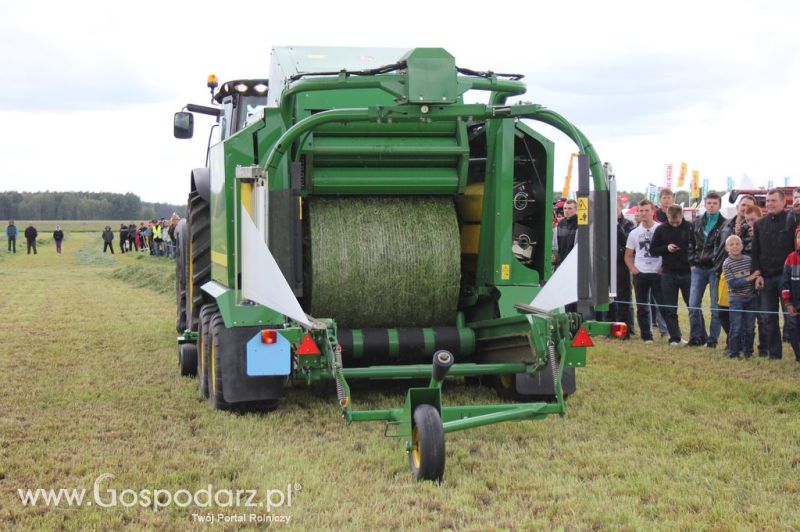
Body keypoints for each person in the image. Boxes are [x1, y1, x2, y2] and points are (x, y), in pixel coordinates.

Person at [752, 189, 795, 359]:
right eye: (767, 201)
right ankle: (774, 354)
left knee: (792, 319)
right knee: (768, 318)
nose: (769, 203)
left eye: (773, 200)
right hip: (767, 278)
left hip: (788, 279)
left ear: (784, 202)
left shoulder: (792, 220)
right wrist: (757, 274)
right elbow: (755, 252)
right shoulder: (759, 224)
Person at [714, 194, 756, 354]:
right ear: (738, 206)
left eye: (749, 206)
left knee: (747, 323)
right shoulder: (726, 224)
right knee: (722, 311)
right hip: (724, 272)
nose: (745, 208)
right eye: (743, 204)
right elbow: (718, 244)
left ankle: (744, 348)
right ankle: (733, 346)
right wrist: (715, 261)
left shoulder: (752, 227)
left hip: (744, 279)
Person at [650, 204, 693, 346]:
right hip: (668, 273)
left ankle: (698, 337)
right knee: (670, 307)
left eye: (677, 221)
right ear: (667, 216)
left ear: (682, 216)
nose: (674, 224)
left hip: (688, 272)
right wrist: (666, 248)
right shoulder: (661, 229)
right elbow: (653, 250)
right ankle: (674, 337)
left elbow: (697, 246)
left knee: (693, 306)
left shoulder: (690, 227)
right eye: (671, 221)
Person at [687, 192, 726, 348]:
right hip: (698, 268)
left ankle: (712, 339)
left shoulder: (725, 224)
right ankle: (696, 337)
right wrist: (691, 263)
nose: (711, 206)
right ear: (705, 204)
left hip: (715, 269)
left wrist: (719, 266)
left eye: (714, 203)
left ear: (719, 205)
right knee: (693, 304)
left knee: (715, 307)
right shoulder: (696, 223)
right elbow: (690, 244)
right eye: (709, 203)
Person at [625, 199, 663, 344]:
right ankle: (646, 335)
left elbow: (666, 251)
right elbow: (628, 255)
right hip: (641, 273)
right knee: (642, 306)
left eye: (646, 210)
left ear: (652, 211)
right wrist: (634, 270)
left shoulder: (660, 229)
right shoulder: (634, 233)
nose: (644, 213)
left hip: (657, 272)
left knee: (663, 304)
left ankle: (672, 335)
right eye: (641, 211)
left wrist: (662, 268)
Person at [723, 235, 759, 359]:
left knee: (750, 327)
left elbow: (756, 275)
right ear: (726, 248)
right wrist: (750, 278)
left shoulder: (748, 260)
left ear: (742, 246)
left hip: (750, 299)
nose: (735, 246)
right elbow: (732, 283)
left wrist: (757, 277)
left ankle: (748, 352)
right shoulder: (727, 264)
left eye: (737, 243)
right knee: (736, 327)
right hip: (736, 300)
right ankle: (733, 353)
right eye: (731, 244)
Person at [610, 197, 635, 338]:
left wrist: (616, 226)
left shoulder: (628, 224)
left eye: (616, 208)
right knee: (609, 298)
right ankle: (611, 326)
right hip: (607, 264)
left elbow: (627, 242)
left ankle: (627, 328)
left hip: (621, 264)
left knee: (624, 298)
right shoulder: (603, 223)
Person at [780, 228, 800, 363]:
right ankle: (798, 355)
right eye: (799, 237)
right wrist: (788, 303)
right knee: (794, 329)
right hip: (795, 305)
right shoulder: (791, 258)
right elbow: (785, 283)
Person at [555, 199, 578, 267]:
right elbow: (558, 245)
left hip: (573, 262)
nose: (566, 210)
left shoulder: (580, 224)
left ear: (576, 210)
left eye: (570, 208)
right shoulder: (561, 224)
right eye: (565, 208)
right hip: (561, 261)